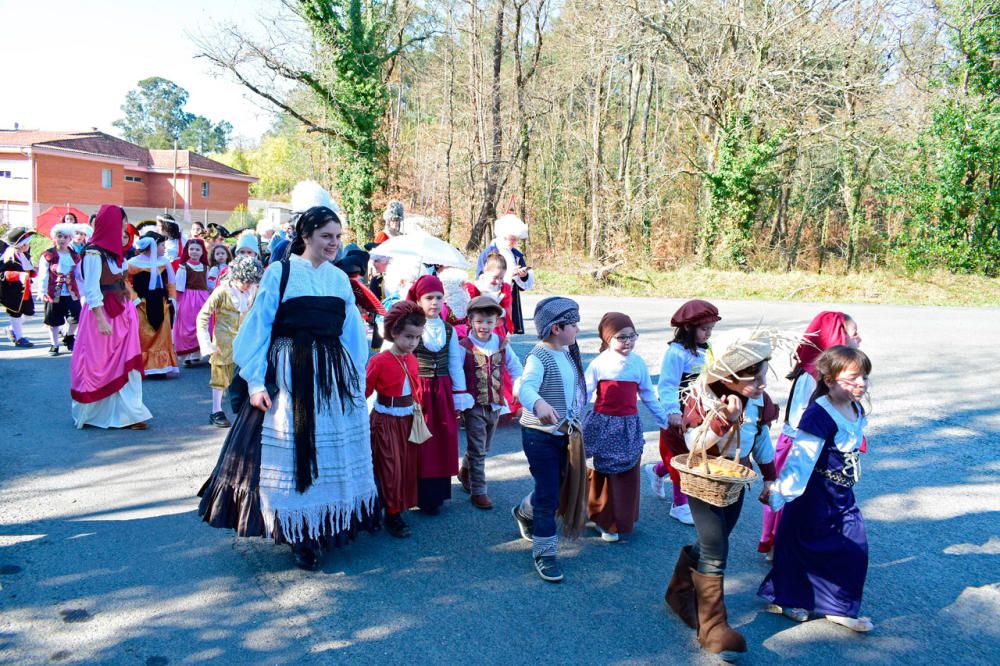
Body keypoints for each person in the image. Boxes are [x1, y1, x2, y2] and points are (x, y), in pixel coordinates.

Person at [198, 205, 380, 571]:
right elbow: (259, 328)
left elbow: (352, 335)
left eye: (337, 237)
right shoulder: (279, 273)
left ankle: (327, 522)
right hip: (288, 375)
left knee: (332, 452)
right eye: (326, 236)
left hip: (332, 376)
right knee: (295, 452)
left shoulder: (339, 279)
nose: (333, 243)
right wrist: (254, 382)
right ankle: (298, 533)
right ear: (306, 235)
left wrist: (357, 381)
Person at [663, 328, 790, 660]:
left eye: (763, 373)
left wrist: (769, 477)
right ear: (731, 376)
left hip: (733, 481)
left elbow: (761, 439)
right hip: (702, 479)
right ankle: (714, 627)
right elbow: (694, 445)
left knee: (710, 543)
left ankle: (678, 592)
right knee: (716, 547)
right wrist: (723, 419)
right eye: (755, 377)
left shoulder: (758, 399)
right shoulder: (703, 396)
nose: (763, 382)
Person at [758, 346, 874, 633]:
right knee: (800, 548)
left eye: (865, 377)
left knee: (853, 548)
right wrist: (779, 493)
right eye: (854, 378)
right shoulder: (819, 414)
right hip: (813, 496)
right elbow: (801, 461)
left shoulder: (855, 406)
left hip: (842, 494)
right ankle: (786, 599)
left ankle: (839, 607)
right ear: (830, 379)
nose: (862, 384)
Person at [758, 311, 862, 556]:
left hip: (818, 449)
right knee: (791, 499)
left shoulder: (839, 382)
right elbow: (803, 424)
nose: (859, 338)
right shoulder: (812, 377)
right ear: (836, 336)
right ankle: (779, 547)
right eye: (854, 333)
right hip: (801, 446)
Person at [512, 297, 588, 583]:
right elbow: (526, 388)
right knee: (549, 494)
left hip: (564, 434)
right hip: (539, 437)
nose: (578, 329)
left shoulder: (567, 352)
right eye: (574, 324)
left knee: (553, 487)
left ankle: (523, 511)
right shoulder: (539, 356)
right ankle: (544, 553)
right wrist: (539, 405)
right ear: (556, 328)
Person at [583, 313, 669, 543]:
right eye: (622, 337)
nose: (628, 342)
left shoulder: (638, 363)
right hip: (603, 423)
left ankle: (622, 518)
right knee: (603, 471)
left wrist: (664, 420)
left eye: (632, 336)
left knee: (626, 471)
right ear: (608, 339)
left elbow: (649, 394)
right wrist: (569, 416)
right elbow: (584, 393)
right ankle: (603, 519)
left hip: (628, 425)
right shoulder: (599, 363)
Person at [70, 205, 152, 430]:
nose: (124, 228)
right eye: (121, 223)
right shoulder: (94, 252)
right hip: (103, 314)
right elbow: (91, 288)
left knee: (128, 363)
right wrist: (100, 318)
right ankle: (96, 414)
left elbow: (122, 282)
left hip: (122, 313)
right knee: (98, 363)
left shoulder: (116, 253)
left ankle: (131, 414)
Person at [644, 299, 721, 525]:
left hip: (700, 409)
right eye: (704, 329)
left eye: (710, 329)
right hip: (679, 411)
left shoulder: (706, 350)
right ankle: (679, 504)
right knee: (680, 455)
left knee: (696, 452)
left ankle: (657, 471)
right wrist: (671, 412)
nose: (708, 334)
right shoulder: (676, 353)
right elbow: (667, 385)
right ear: (688, 327)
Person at [404, 275, 473, 513]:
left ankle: (436, 495)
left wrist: (459, 392)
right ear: (418, 299)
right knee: (419, 440)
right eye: (429, 298)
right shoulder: (410, 327)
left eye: (439, 297)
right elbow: (397, 358)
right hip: (418, 390)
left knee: (440, 440)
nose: (434, 302)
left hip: (441, 390)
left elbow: (454, 363)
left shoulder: (448, 329)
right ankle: (416, 493)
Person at [365, 300, 427, 537]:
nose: (413, 342)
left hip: (408, 420)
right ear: (393, 333)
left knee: (404, 467)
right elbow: (365, 391)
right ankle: (390, 513)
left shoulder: (412, 359)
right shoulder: (379, 361)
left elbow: (416, 389)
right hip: (385, 421)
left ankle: (396, 508)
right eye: (408, 337)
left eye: (417, 337)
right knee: (389, 467)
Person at [457, 296, 524, 510]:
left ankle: (465, 469)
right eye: (479, 321)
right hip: (473, 405)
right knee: (478, 449)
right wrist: (458, 399)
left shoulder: (501, 344)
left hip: (495, 403)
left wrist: (517, 386)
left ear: (496, 322)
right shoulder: (463, 346)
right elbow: (456, 373)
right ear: (470, 321)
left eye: (489, 322)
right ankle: (479, 491)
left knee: (484, 446)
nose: (484, 326)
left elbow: (515, 367)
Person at [197, 254, 263, 428]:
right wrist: (205, 342)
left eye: (252, 282)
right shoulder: (222, 291)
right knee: (220, 373)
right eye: (245, 282)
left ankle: (246, 409)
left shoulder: (254, 289)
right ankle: (216, 410)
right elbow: (203, 316)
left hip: (245, 339)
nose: (248, 286)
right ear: (236, 277)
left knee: (246, 373)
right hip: (223, 341)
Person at [127, 231, 178, 377]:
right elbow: (124, 281)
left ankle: (161, 366)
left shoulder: (164, 262)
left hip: (162, 302)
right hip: (142, 304)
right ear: (152, 247)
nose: (165, 248)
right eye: (162, 245)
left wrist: (172, 298)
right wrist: (134, 298)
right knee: (144, 334)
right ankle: (145, 365)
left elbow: (171, 281)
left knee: (162, 334)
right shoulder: (133, 263)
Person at [475, 214, 534, 334]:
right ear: (503, 235)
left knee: (505, 330)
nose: (514, 242)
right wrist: (506, 275)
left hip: (510, 297)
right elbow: (480, 278)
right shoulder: (488, 253)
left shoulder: (516, 255)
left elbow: (524, 283)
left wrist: (523, 275)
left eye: (516, 239)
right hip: (491, 297)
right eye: (512, 239)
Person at [38, 222, 85, 356]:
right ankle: (54, 344)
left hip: (71, 292)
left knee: (76, 316)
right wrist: (42, 291)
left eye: (65, 237)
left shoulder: (75, 255)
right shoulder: (48, 255)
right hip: (53, 292)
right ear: (54, 237)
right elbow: (44, 274)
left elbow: (79, 274)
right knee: (53, 319)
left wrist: (83, 289)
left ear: (70, 239)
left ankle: (69, 336)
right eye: (59, 236)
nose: (62, 239)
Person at [173, 239, 211, 366]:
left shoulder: (205, 267)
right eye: (192, 249)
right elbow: (179, 287)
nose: (194, 252)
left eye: (197, 249)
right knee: (188, 326)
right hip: (188, 298)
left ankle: (197, 354)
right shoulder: (183, 267)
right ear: (187, 251)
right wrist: (178, 304)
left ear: (202, 252)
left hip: (203, 298)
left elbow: (207, 284)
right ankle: (187, 355)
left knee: (202, 324)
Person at [1, 227, 37, 347]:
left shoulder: (24, 255)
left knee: (29, 313)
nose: (27, 245)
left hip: (25, 289)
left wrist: (34, 271)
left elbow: (28, 270)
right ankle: (19, 337)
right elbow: (3, 274)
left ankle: (11, 329)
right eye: (25, 243)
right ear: (19, 245)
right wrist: (18, 275)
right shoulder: (8, 258)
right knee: (15, 313)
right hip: (13, 291)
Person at [466, 252, 515, 335]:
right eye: (495, 277)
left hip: (496, 329)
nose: (498, 281)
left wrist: (501, 312)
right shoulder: (476, 287)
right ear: (485, 270)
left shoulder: (504, 288)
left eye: (501, 278)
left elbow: (507, 310)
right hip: (478, 328)